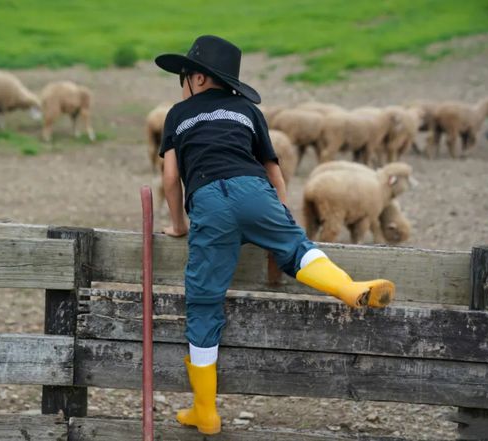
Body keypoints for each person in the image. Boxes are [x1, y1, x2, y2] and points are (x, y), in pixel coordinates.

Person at [154, 35, 395, 435]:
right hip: (255, 191)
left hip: (209, 200)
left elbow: (169, 178)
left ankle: (205, 411)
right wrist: (277, 223)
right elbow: (275, 173)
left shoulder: (178, 114)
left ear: (197, 78)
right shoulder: (247, 111)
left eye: (182, 77)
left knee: (204, 302)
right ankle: (349, 288)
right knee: (297, 249)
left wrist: (179, 225)